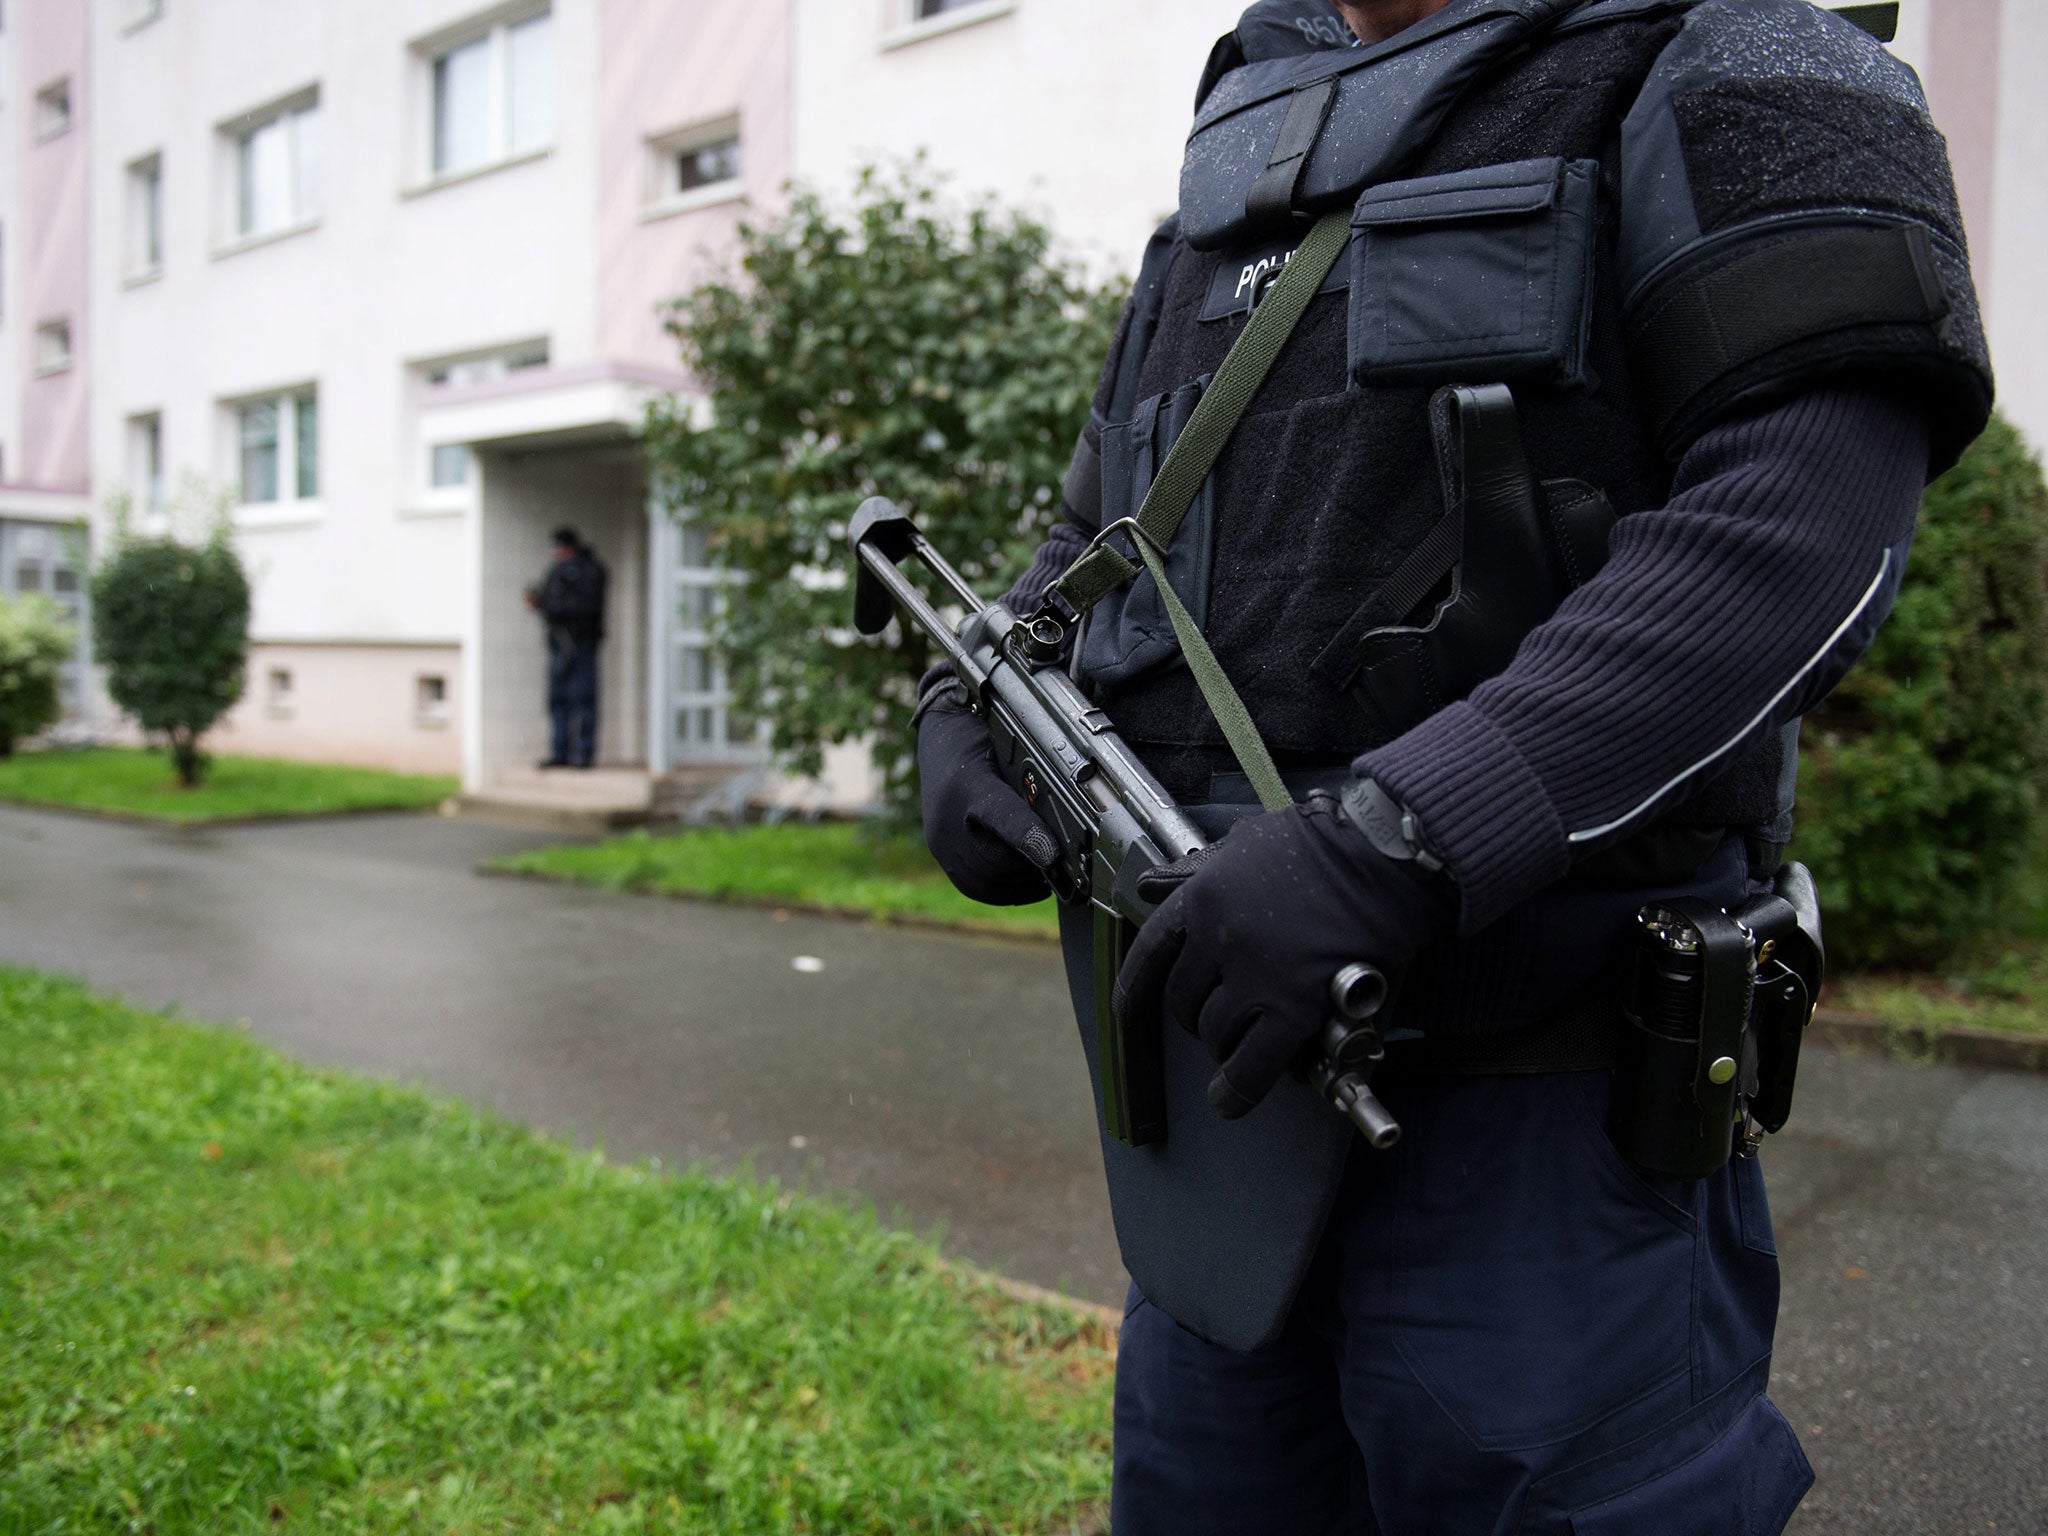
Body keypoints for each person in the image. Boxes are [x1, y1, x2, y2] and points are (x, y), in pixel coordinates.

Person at [912, 0, 1991, 1531]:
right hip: (1222, 1139)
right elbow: (1107, 527)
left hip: (1546, 1145)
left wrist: (1399, 841)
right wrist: (969, 703)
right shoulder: (1251, 136)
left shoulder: (1736, 52)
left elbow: (1803, 523)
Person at [526, 526, 608, 769]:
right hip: (558, 643)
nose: (555, 553)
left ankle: (584, 754)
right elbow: (550, 601)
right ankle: (560, 753)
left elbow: (584, 608)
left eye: (558, 548)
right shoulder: (556, 571)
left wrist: (551, 606)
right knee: (558, 700)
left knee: (583, 699)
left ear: (568, 547)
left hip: (581, 642)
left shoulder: (589, 570)